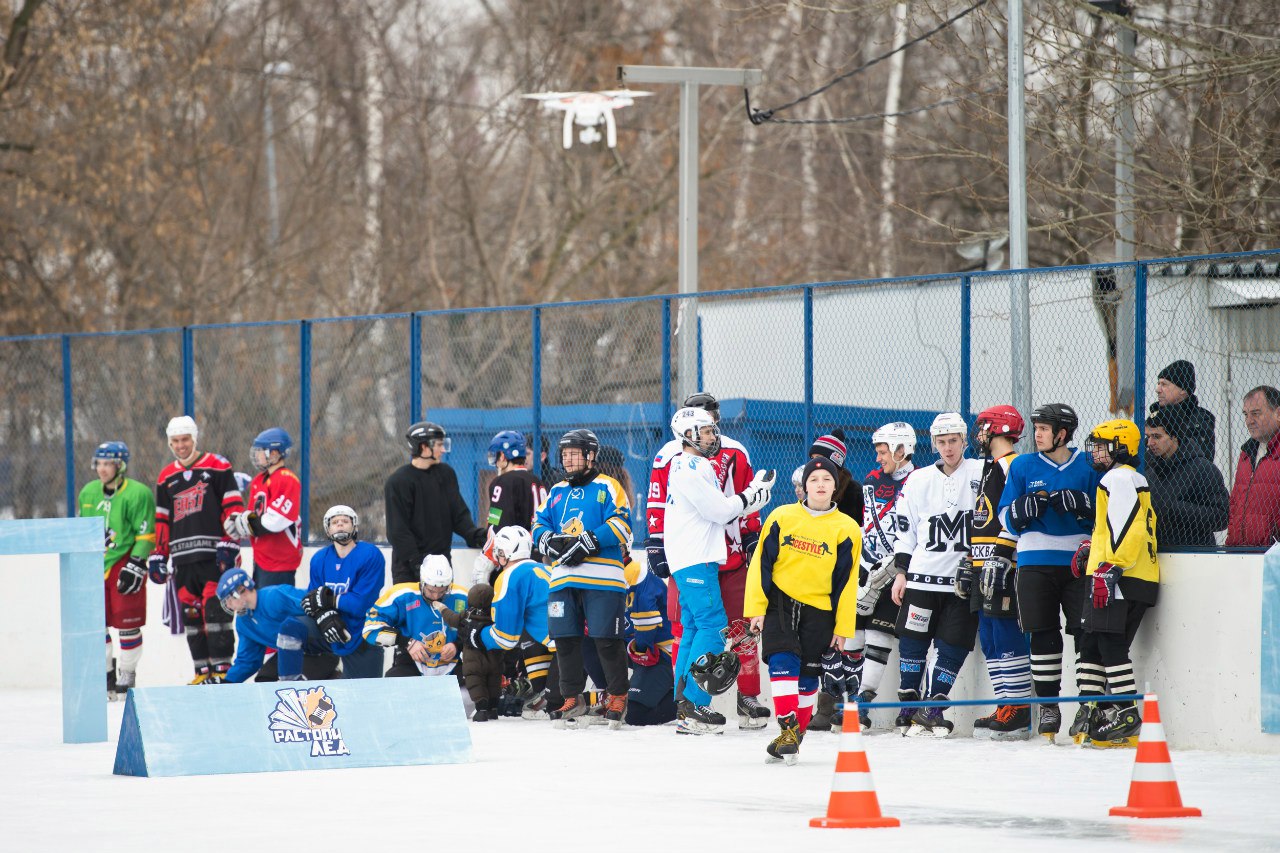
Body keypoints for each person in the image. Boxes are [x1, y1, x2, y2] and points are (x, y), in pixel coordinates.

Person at [646, 391, 770, 730]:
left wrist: (747, 502)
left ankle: (683, 702)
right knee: (715, 628)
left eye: (713, 430)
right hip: (696, 560)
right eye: (705, 431)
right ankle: (695, 707)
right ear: (688, 435)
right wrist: (752, 496)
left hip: (692, 559)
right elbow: (719, 510)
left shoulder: (689, 464)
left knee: (694, 629)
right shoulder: (688, 466)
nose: (713, 435)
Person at [997, 403, 1101, 741]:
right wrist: (1019, 511)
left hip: (1080, 563)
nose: (1037, 433)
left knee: (1085, 633)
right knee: (1042, 634)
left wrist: (1087, 506)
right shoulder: (1023, 465)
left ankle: (1088, 705)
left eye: (1044, 428)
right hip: (1033, 562)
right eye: (1036, 427)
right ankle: (1049, 706)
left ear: (1063, 433)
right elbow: (1004, 518)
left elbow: (1106, 512)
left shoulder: (1087, 465)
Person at [745, 456, 859, 764]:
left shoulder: (847, 528)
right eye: (814, 480)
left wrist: (842, 628)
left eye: (826, 480)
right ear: (803, 487)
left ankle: (794, 737)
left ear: (835, 487)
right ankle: (788, 728)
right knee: (782, 660)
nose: (820, 485)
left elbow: (848, 582)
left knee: (809, 679)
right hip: (781, 602)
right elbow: (760, 565)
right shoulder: (782, 517)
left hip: (821, 609)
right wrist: (756, 608)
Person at [889, 412, 985, 737]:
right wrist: (901, 573)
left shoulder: (981, 472)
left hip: (963, 582)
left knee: (954, 644)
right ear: (934, 444)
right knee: (913, 644)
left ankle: (933, 709)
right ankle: (908, 709)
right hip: (921, 579)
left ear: (964, 440)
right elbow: (906, 530)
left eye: (953, 440)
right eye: (942, 442)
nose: (948, 447)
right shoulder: (917, 480)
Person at [532, 428, 633, 728]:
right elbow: (538, 524)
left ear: (590, 455)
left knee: (606, 639)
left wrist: (590, 541)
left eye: (575, 453)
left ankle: (617, 695)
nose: (568, 460)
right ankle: (572, 697)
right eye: (565, 455)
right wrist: (549, 541)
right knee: (564, 639)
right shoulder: (555, 491)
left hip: (603, 577)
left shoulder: (608, 486)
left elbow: (623, 525)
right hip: (562, 577)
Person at [1069, 419, 1160, 748]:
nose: (1095, 451)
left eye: (1102, 444)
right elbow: (1117, 527)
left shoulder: (1119, 477)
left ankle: (1126, 713)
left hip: (1121, 576)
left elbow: (1126, 529)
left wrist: (1111, 567)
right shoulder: (1127, 478)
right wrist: (1094, 550)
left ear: (1120, 447)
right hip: (1124, 574)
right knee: (1091, 641)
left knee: (1109, 644)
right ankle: (1091, 707)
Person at [822, 421, 915, 732]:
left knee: (879, 635)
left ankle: (864, 702)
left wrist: (892, 568)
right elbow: (865, 527)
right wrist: (862, 566)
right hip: (866, 566)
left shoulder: (918, 480)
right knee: (854, 631)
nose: (878, 458)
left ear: (903, 449)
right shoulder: (872, 480)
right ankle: (849, 700)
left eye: (883, 451)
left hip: (898, 571)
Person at [150, 415, 245, 684]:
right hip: (182, 559)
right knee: (192, 618)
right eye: (175, 441)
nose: (181, 445)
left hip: (214, 556)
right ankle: (202, 671)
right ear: (169, 443)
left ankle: (222, 671)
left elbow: (233, 507)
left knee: (216, 615)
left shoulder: (218, 465)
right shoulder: (166, 476)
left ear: (195, 438)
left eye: (185, 440)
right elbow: (162, 519)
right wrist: (159, 553)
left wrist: (230, 541)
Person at [960, 406, 1033, 740]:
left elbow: (1014, 516)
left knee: (1005, 634)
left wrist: (1005, 556)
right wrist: (969, 560)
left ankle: (1018, 709)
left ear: (997, 429)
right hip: (981, 565)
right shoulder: (991, 467)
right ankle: (1004, 703)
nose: (979, 436)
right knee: (989, 637)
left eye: (982, 429)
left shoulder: (1012, 464)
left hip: (1003, 564)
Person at [78, 441, 156, 698]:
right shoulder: (88, 492)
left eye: (108, 463)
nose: (102, 469)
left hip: (124, 562)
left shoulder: (138, 493)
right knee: (97, 624)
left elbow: (146, 534)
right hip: (96, 563)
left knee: (127, 623)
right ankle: (106, 673)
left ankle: (127, 671)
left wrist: (136, 563)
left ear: (120, 465)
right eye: (99, 463)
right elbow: (82, 529)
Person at [456, 526, 559, 720]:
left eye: (499, 552)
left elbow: (506, 639)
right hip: (574, 640)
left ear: (507, 552)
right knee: (529, 631)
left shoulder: (509, 576)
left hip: (569, 647)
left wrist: (477, 635)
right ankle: (546, 690)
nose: (497, 556)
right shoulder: (544, 568)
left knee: (558, 705)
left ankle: (564, 696)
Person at [385, 421, 487, 586]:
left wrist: (475, 535)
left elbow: (458, 514)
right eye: (439, 445)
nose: (443, 450)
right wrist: (417, 563)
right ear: (424, 447)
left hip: (441, 566)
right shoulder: (398, 481)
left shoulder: (446, 474)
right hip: (408, 570)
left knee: (442, 611)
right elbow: (397, 531)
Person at [215, 567, 358, 683]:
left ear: (241, 590)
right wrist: (227, 683)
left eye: (229, 599)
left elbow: (313, 601)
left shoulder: (274, 596)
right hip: (289, 653)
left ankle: (332, 676)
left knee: (295, 686)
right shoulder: (243, 622)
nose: (228, 605)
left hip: (319, 652)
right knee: (264, 680)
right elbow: (248, 661)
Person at [300, 505, 386, 679]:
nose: (340, 525)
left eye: (345, 521)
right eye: (334, 522)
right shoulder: (319, 559)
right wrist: (325, 619)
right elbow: (312, 601)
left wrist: (330, 600)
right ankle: (288, 682)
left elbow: (361, 604)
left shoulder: (370, 555)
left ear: (354, 527)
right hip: (327, 629)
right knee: (291, 627)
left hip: (362, 630)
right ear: (328, 529)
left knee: (367, 694)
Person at [363, 554, 467, 677]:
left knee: (474, 689)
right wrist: (407, 642)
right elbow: (370, 630)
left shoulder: (463, 596)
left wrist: (458, 645)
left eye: (442, 591)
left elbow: (477, 629)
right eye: (431, 591)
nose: (436, 596)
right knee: (393, 684)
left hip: (452, 663)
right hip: (411, 662)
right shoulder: (401, 595)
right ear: (422, 582)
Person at [224, 428, 302, 587]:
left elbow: (276, 520)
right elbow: (253, 515)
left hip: (280, 560)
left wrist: (245, 525)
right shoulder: (259, 480)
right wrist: (238, 522)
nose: (257, 455)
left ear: (274, 454)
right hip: (261, 557)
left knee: (275, 608)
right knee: (261, 608)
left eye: (261, 451)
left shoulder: (287, 480)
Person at [1144, 412, 1229, 548]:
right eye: (1148, 437)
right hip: (1155, 555)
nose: (1150, 443)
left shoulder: (1203, 469)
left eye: (1157, 437)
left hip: (1195, 555)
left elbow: (1222, 517)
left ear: (1174, 436)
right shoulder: (1149, 470)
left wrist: (1173, 508)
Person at [474, 430, 547, 585]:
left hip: (513, 560)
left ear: (503, 456)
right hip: (539, 558)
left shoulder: (502, 482)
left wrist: (486, 560)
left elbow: (497, 527)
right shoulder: (538, 482)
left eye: (496, 456)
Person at [623, 539, 677, 726]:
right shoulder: (596, 578)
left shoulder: (637, 575)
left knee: (635, 714)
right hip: (633, 649)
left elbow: (646, 628)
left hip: (658, 652)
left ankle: (687, 700)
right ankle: (607, 692)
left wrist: (639, 648)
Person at [439, 582, 506, 720]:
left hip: (473, 660)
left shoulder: (467, 615)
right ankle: (493, 709)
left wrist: (443, 609)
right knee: (494, 681)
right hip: (494, 657)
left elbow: (452, 619)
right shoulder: (496, 616)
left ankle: (481, 710)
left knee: (475, 682)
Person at [1226, 386, 1280, 548]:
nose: (1249, 421)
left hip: (1272, 556)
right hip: (1241, 554)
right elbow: (1235, 504)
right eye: (1245, 414)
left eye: (1256, 413)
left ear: (1278, 413)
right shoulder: (1246, 454)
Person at [1148, 359, 1216, 459]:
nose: (1158, 390)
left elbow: (1201, 459)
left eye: (1164, 384)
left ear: (1183, 390)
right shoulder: (1155, 418)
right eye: (1159, 384)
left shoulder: (1200, 422)